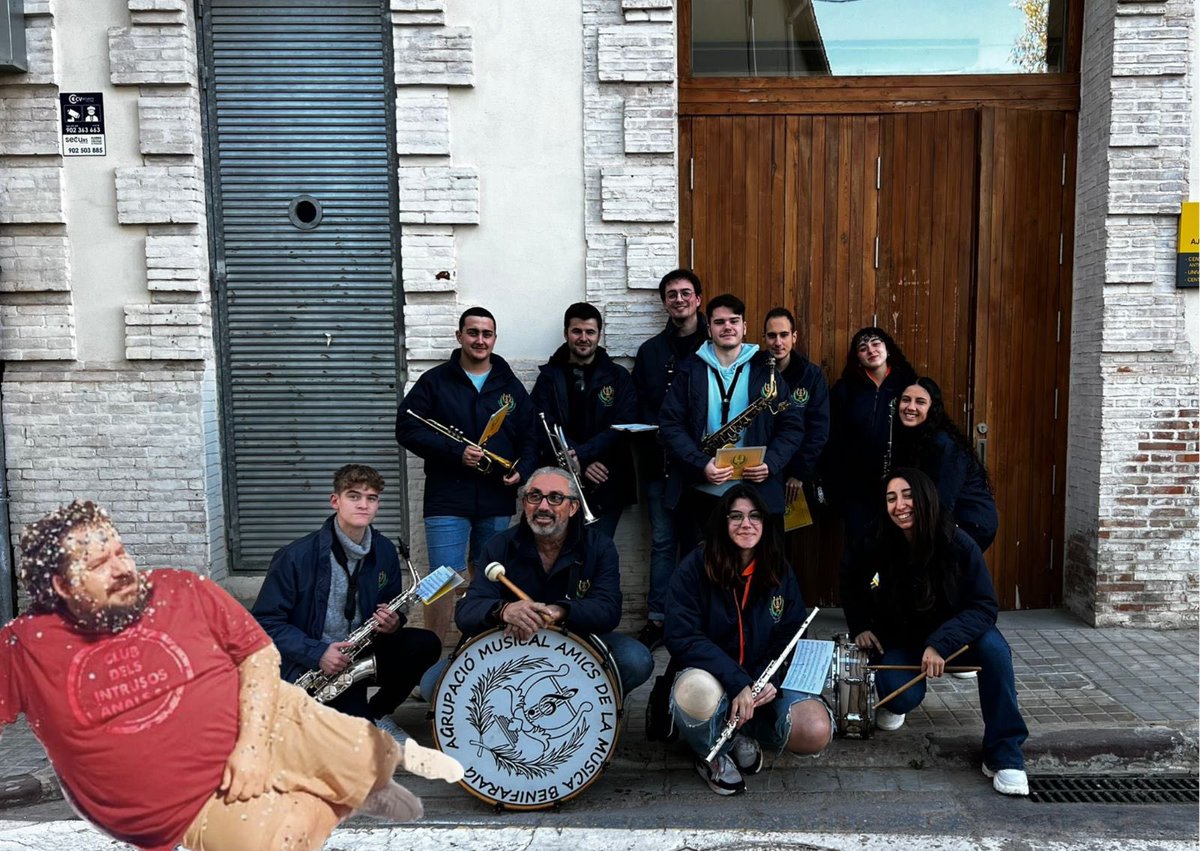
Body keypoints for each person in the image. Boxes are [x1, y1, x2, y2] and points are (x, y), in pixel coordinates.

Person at [0, 501, 464, 851]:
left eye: (120, 551)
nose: (124, 568)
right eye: (101, 565)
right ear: (62, 585)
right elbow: (272, 625)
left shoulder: (179, 587)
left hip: (252, 724)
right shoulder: (24, 643)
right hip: (179, 803)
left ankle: (373, 764)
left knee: (296, 710)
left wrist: (250, 746)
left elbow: (258, 654)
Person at [840, 468, 1030, 796]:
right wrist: (860, 626)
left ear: (926, 498)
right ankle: (896, 703)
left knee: (996, 652)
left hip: (957, 638)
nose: (899, 505)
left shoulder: (958, 543)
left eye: (908, 495)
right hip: (902, 638)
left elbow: (984, 606)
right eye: (891, 498)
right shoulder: (876, 539)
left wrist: (940, 644)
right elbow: (850, 578)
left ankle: (1004, 753)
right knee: (902, 696)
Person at [661, 484, 832, 795]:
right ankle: (710, 751)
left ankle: (741, 734)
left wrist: (774, 680)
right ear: (722, 523)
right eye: (735, 516)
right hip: (714, 680)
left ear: (765, 523)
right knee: (694, 690)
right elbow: (681, 635)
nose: (746, 524)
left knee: (815, 729)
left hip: (759, 685)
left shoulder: (779, 568)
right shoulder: (694, 567)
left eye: (755, 516)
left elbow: (793, 633)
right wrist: (737, 680)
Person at [251, 464, 440, 740]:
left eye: (371, 498)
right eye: (354, 496)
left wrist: (393, 622)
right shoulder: (295, 556)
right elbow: (265, 623)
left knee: (425, 644)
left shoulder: (385, 550)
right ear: (335, 501)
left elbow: (392, 606)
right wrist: (317, 653)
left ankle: (378, 712)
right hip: (312, 663)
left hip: (359, 655)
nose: (363, 505)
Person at [395, 306, 538, 641]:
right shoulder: (435, 380)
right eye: (473, 332)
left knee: (489, 575)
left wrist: (524, 469)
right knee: (442, 578)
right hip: (448, 494)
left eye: (487, 334)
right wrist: (456, 452)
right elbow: (406, 428)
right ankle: (430, 655)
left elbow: (531, 436)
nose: (480, 340)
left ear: (495, 338)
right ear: (459, 336)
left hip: (496, 496)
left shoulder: (509, 385)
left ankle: (476, 651)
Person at [448, 466, 654, 698]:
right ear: (525, 503)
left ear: (574, 507)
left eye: (555, 498)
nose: (543, 506)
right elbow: (466, 612)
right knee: (433, 684)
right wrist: (504, 611)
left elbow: (608, 610)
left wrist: (560, 611)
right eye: (534, 496)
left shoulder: (599, 546)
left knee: (636, 660)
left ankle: (588, 708)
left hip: (577, 643)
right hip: (510, 645)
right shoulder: (499, 545)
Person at [659, 293, 805, 552]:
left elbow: (792, 426)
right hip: (703, 490)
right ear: (709, 328)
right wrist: (701, 463)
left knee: (762, 571)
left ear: (744, 327)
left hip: (757, 490)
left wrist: (770, 464)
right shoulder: (689, 370)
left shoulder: (767, 369)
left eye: (734, 321)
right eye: (720, 322)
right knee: (705, 572)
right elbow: (670, 425)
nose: (727, 327)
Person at [631, 268, 709, 649]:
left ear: (698, 299)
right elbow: (640, 403)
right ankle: (659, 620)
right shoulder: (650, 351)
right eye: (672, 294)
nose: (679, 300)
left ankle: (699, 617)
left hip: (706, 466)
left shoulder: (717, 342)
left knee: (702, 543)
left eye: (685, 293)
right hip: (660, 464)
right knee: (663, 542)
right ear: (664, 302)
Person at [531, 302, 638, 539]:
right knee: (559, 552)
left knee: (598, 553)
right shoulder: (549, 377)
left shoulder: (619, 377)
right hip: (560, 482)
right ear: (566, 333)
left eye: (590, 332)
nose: (583, 338)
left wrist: (583, 455)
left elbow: (623, 425)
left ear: (599, 335)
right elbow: (542, 425)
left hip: (607, 479)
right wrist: (579, 460)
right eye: (576, 331)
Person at [825, 326, 918, 539]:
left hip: (900, 483)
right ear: (857, 357)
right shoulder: (845, 390)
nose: (871, 350)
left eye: (876, 344)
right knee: (859, 546)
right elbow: (833, 437)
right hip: (856, 486)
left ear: (887, 348)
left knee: (895, 544)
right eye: (863, 348)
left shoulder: (907, 384)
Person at [893, 376, 998, 552]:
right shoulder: (914, 437)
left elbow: (943, 500)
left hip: (971, 523)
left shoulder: (945, 444)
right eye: (906, 400)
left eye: (920, 402)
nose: (911, 407)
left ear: (932, 408)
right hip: (945, 519)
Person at [762, 307, 830, 511]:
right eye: (772, 336)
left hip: (795, 473)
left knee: (786, 538)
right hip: (759, 470)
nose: (778, 342)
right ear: (764, 337)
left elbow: (818, 430)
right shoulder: (755, 370)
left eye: (784, 335)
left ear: (794, 337)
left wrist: (799, 472)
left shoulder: (812, 376)